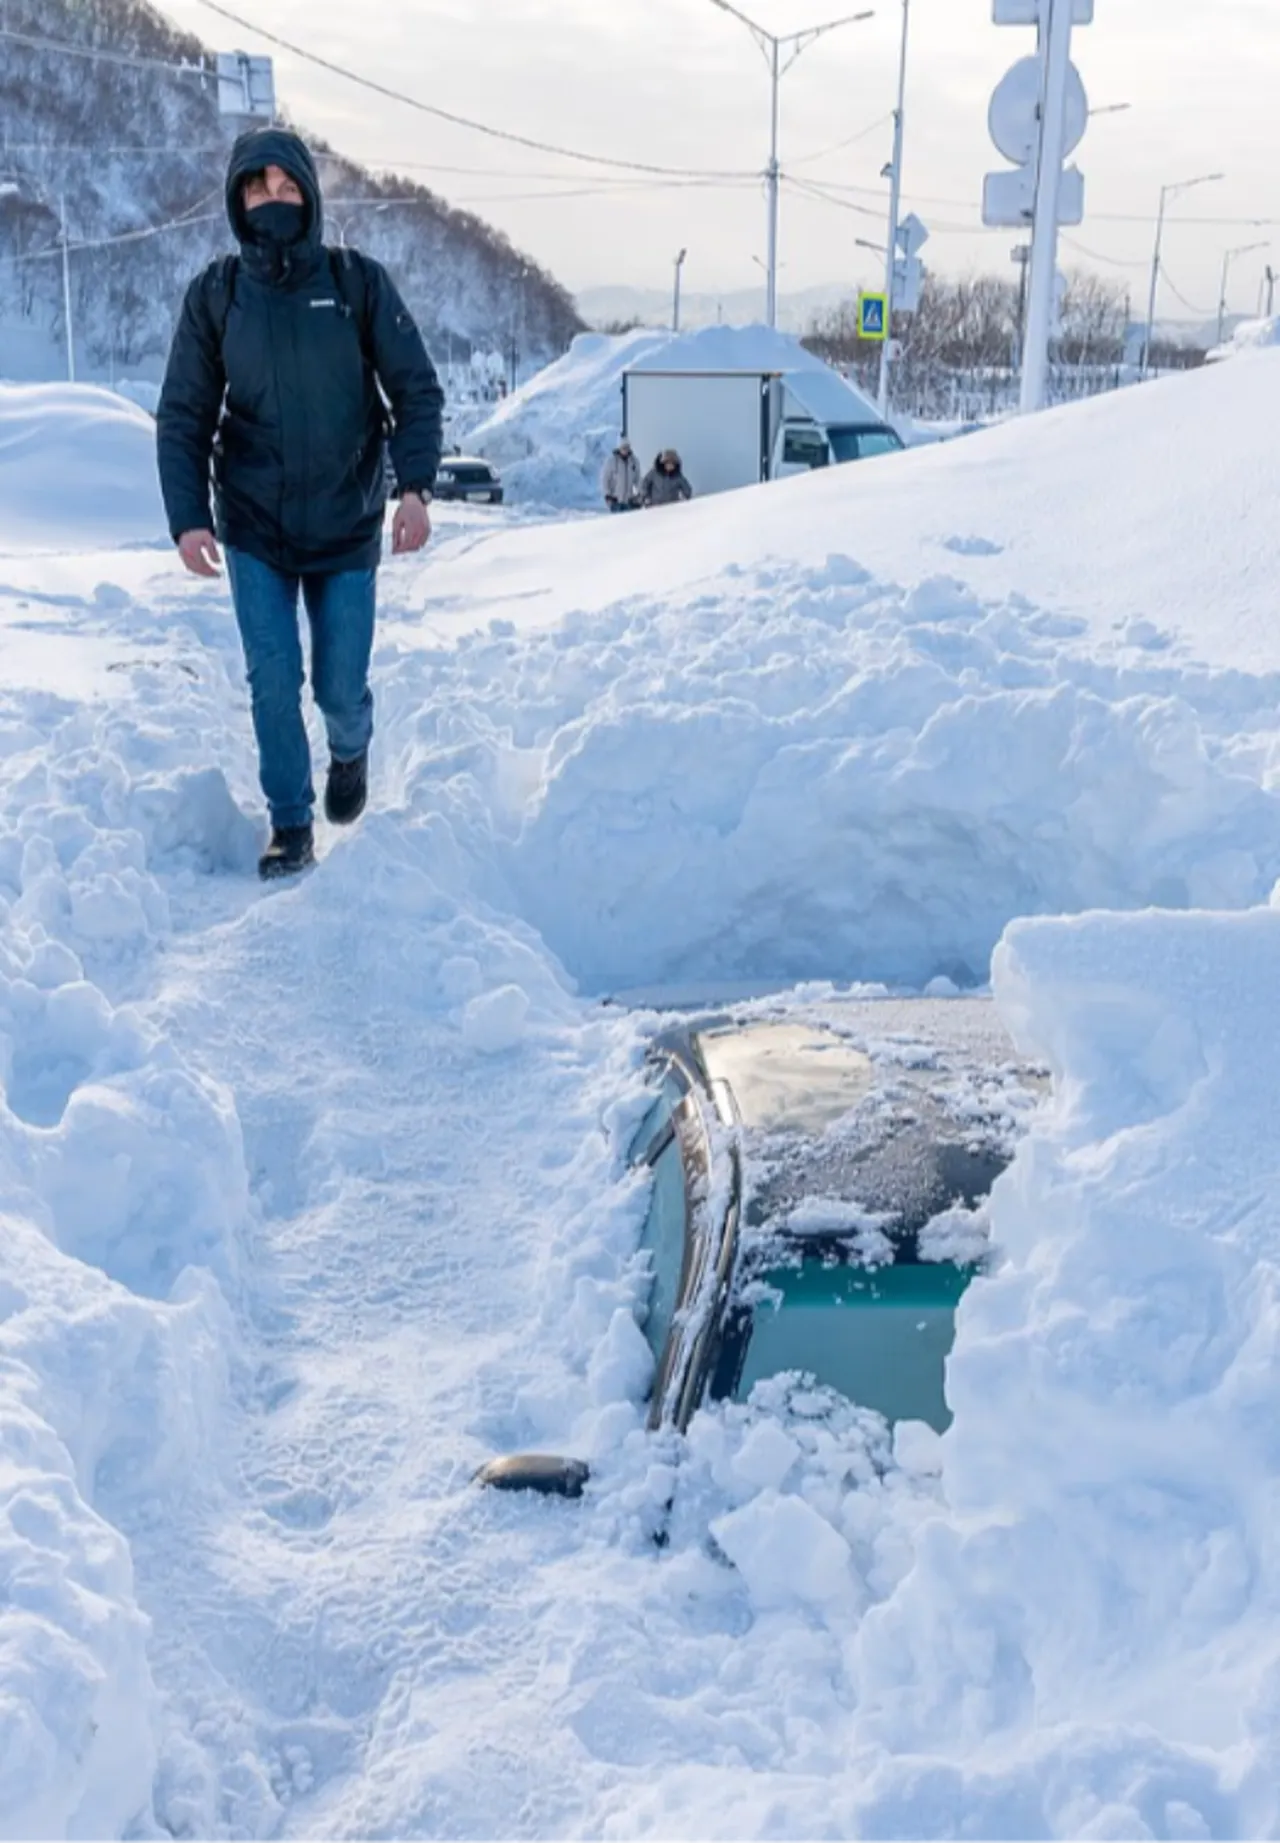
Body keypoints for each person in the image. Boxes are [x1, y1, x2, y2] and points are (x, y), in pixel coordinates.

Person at [156, 127, 445, 880]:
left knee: (338, 686)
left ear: (310, 196)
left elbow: (415, 389)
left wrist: (413, 488)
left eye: (287, 188)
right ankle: (291, 822)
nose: (273, 201)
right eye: (258, 189)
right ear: (237, 199)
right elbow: (184, 412)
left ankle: (350, 750)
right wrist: (188, 516)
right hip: (254, 522)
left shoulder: (357, 284)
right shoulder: (217, 295)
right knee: (272, 677)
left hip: (346, 522)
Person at [601, 437, 641, 512]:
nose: (625, 450)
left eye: (627, 447)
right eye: (623, 448)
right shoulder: (611, 461)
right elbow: (605, 479)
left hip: (629, 501)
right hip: (615, 500)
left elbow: (638, 479)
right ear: (619, 448)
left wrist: (639, 493)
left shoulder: (634, 461)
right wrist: (607, 494)